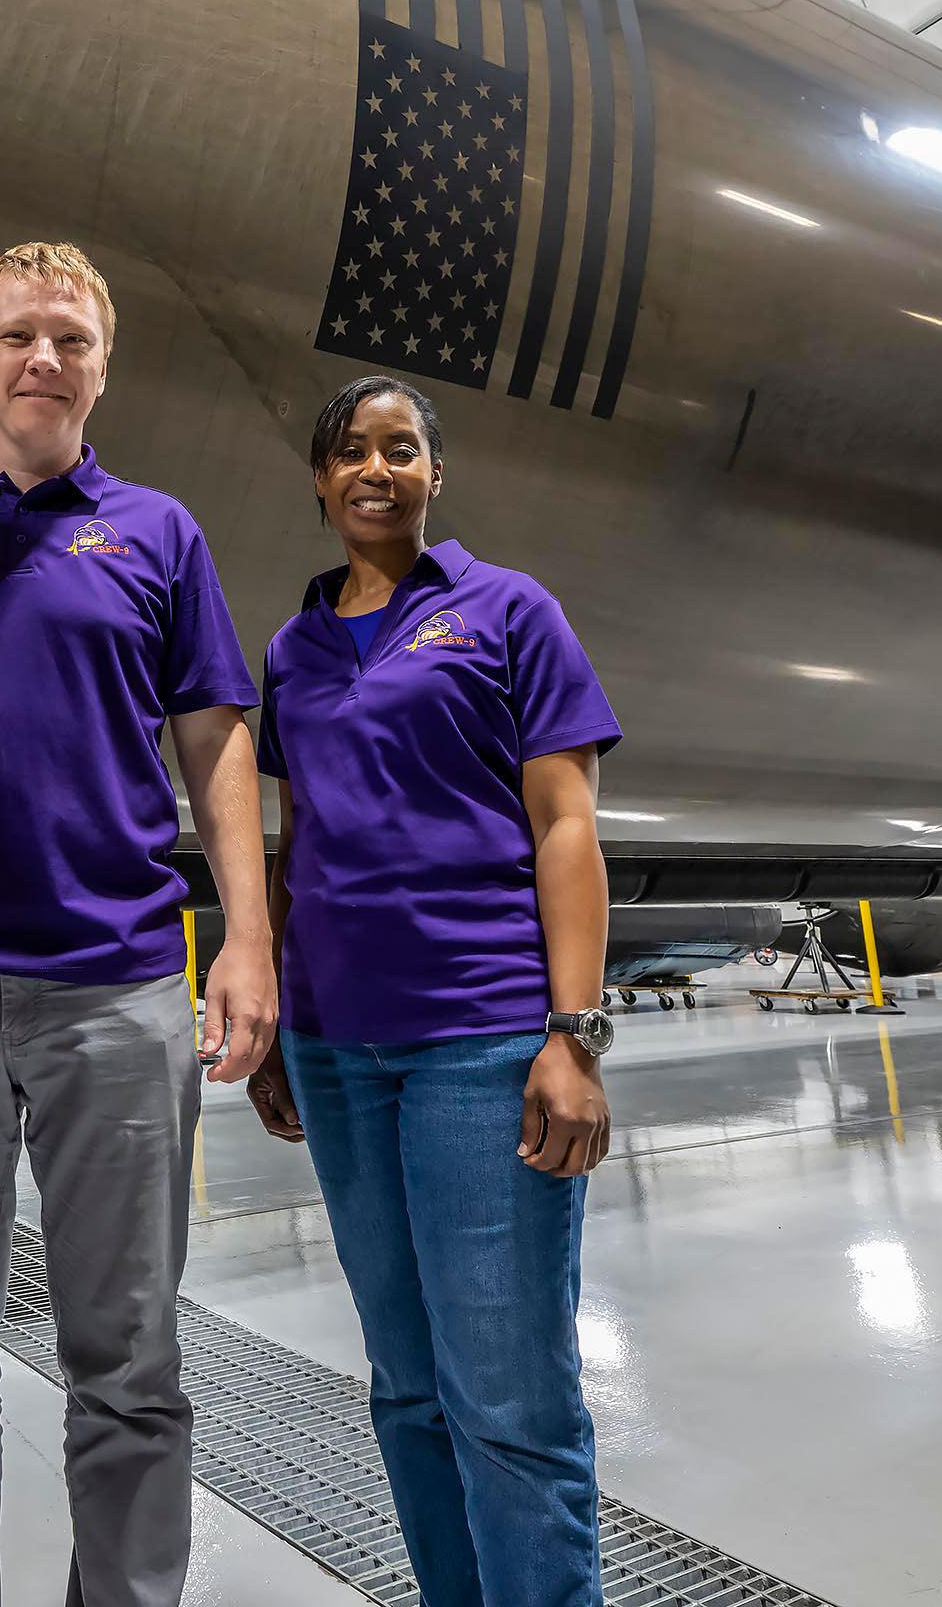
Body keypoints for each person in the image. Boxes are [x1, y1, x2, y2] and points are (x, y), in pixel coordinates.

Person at [0, 242, 279, 1607]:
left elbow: (215, 740)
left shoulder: (159, 535)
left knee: (133, 1359)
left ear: (103, 367)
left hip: (120, 991)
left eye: (72, 341)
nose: (46, 360)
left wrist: (249, 944)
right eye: (19, 336)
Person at [245, 375, 622, 1607]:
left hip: (482, 1037)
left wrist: (573, 1030)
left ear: (433, 473)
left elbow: (565, 822)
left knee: (508, 1394)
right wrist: (271, 1027)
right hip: (338, 1049)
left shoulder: (509, 610)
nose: (373, 468)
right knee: (405, 1383)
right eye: (348, 449)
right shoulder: (294, 649)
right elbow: (292, 843)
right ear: (318, 476)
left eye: (399, 449)